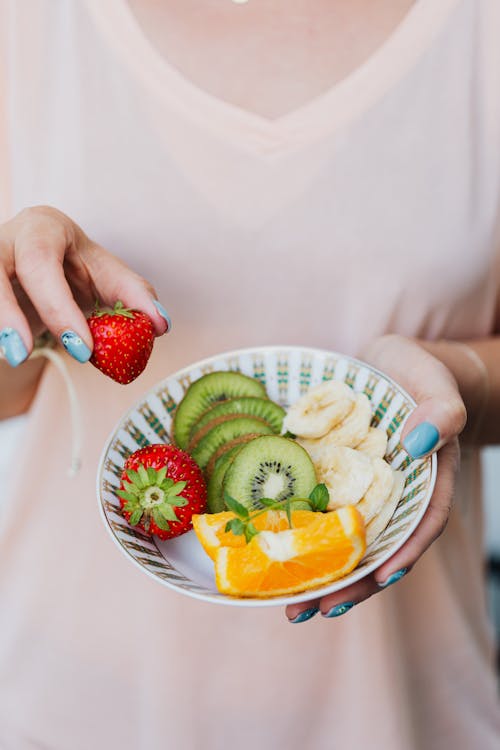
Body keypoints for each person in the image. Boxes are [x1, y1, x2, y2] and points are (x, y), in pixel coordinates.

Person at [0, 0, 499, 748]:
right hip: (71, 701)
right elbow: (14, 395)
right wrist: (20, 318)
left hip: (404, 711)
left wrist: (456, 378)